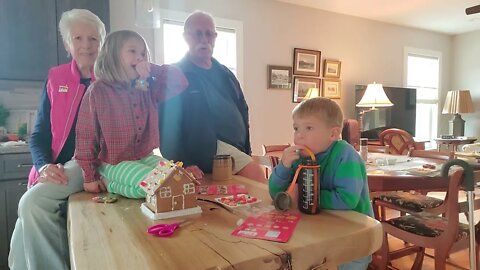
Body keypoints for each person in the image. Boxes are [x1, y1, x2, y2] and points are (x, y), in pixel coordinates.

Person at [9, 9, 106, 270]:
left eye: (94, 39)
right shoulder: (56, 77)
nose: (86, 46)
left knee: (31, 205)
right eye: (78, 38)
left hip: (89, 166)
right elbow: (39, 134)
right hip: (54, 168)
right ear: (67, 44)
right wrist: (43, 166)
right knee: (18, 250)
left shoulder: (112, 80)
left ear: (103, 44)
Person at [74, 30, 187, 198]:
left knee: (179, 178)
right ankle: (109, 182)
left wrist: (152, 69)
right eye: (132, 51)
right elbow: (85, 136)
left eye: (142, 53)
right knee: (156, 186)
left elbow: (180, 81)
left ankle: (114, 183)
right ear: (113, 55)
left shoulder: (143, 87)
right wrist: (89, 177)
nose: (140, 57)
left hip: (144, 157)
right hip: (113, 162)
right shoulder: (98, 90)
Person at [158, 10, 266, 182]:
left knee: (241, 201)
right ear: (186, 37)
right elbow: (166, 128)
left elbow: (243, 113)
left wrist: (247, 151)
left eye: (209, 34)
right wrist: (183, 163)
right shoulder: (175, 74)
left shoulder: (226, 74)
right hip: (205, 155)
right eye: (197, 34)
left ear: (215, 37)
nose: (204, 39)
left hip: (236, 151)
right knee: (257, 176)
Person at [268, 97, 373, 270]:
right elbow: (276, 194)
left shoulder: (346, 155)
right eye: (296, 128)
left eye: (308, 128)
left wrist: (302, 197)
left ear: (332, 134)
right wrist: (284, 167)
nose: (299, 135)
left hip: (352, 240)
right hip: (319, 233)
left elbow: (347, 199)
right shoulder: (299, 158)